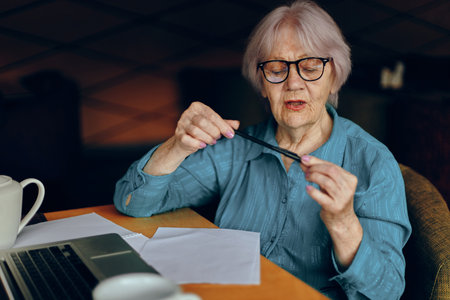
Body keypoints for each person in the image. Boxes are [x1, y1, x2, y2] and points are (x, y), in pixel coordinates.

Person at [114, 1, 411, 299]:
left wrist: (343, 222)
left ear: (334, 75)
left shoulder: (373, 162)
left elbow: (387, 292)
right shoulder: (235, 149)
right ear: (262, 83)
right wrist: (177, 146)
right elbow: (132, 202)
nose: (294, 83)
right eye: (276, 69)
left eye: (310, 67)